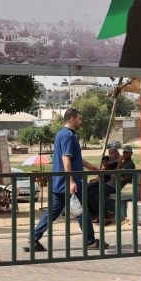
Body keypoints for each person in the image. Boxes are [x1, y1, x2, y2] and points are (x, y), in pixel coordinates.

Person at [27, 108, 106, 251]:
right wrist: (71, 182)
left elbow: (74, 158)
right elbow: (66, 159)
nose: (81, 122)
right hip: (67, 184)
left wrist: (89, 166)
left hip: (58, 182)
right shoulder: (69, 135)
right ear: (72, 119)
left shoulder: (61, 134)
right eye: (80, 119)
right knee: (82, 211)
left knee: (52, 213)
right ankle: (90, 242)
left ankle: (33, 238)